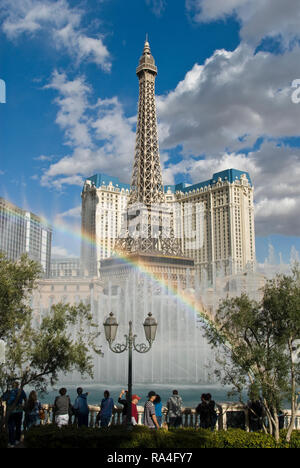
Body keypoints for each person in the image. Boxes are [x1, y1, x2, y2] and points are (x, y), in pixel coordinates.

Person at [2, 381, 27, 447]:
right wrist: (23, 406)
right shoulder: (21, 391)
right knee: (18, 426)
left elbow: (3, 399)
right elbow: (25, 399)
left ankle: (11, 442)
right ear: (18, 385)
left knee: (11, 427)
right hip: (19, 411)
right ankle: (17, 440)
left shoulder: (9, 392)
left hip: (11, 412)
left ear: (12, 385)